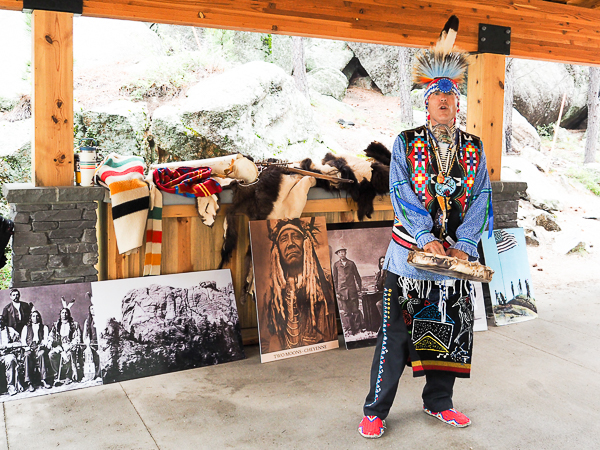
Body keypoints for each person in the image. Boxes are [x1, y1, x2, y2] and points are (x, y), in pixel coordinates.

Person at [358, 15, 493, 438]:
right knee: (395, 338)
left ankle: (439, 402)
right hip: (409, 259)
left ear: (458, 105)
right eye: (437, 98)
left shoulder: (474, 146)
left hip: (454, 262)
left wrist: (465, 244)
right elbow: (401, 191)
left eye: (450, 99)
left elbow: (482, 197)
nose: (444, 104)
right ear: (427, 103)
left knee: (449, 330)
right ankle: (375, 411)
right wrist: (426, 238)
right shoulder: (406, 141)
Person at [262, 218, 336, 352]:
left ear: (306, 244)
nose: (291, 244)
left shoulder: (323, 285)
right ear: (277, 249)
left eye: (296, 237)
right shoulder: (271, 294)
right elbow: (266, 342)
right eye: (284, 239)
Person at [332, 248, 364, 334]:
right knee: (346, 312)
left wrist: (359, 289)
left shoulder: (351, 263)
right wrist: (337, 292)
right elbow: (335, 280)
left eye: (343, 252)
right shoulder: (336, 265)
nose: (342, 254)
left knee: (355, 310)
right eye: (339, 252)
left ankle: (358, 328)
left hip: (352, 291)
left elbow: (357, 277)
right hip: (342, 292)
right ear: (337, 254)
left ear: (345, 253)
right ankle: (350, 329)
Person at [21, 310, 53, 391]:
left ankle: (44, 379)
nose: (35, 318)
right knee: (27, 355)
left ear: (39, 317)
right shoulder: (26, 328)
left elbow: (46, 339)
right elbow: (23, 341)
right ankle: (29, 382)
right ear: (31, 318)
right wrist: (27, 348)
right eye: (33, 316)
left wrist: (42, 345)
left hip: (39, 347)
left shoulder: (44, 327)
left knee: (41, 354)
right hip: (29, 348)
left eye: (37, 316)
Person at [49, 307, 82, 385]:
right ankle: (57, 375)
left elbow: (77, 337)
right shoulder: (56, 325)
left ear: (69, 314)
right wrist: (50, 342)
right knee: (51, 355)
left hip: (69, 346)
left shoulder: (74, 325)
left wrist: (70, 345)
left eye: (66, 313)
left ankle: (68, 376)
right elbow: (51, 335)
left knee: (69, 354)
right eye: (62, 313)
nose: (64, 314)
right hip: (59, 346)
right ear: (60, 314)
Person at [0, 315, 21, 396]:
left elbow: (19, 342)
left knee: (11, 360)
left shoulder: (10, 330)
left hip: (7, 354)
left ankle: (11, 386)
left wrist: (9, 346)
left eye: (1, 320)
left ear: (4, 321)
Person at [82, 303, 101, 380]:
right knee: (92, 356)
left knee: (100, 355)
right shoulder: (88, 321)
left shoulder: (100, 318)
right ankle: (93, 375)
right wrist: (87, 341)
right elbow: (86, 333)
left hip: (101, 342)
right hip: (93, 343)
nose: (93, 310)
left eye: (94, 308)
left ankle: (99, 374)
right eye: (91, 309)